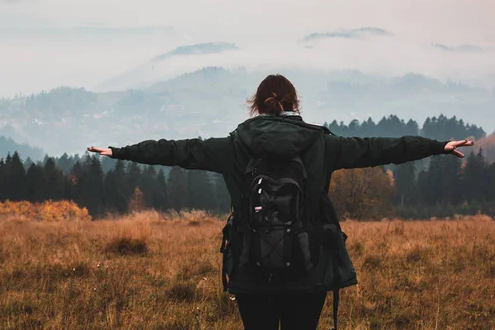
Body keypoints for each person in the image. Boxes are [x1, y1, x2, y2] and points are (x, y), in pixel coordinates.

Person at [88, 74, 473, 330]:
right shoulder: (322, 144)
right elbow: (382, 148)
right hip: (310, 267)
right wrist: (438, 146)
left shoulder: (232, 146)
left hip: (251, 265)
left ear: (256, 105)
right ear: (293, 103)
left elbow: (174, 151)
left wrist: (119, 152)